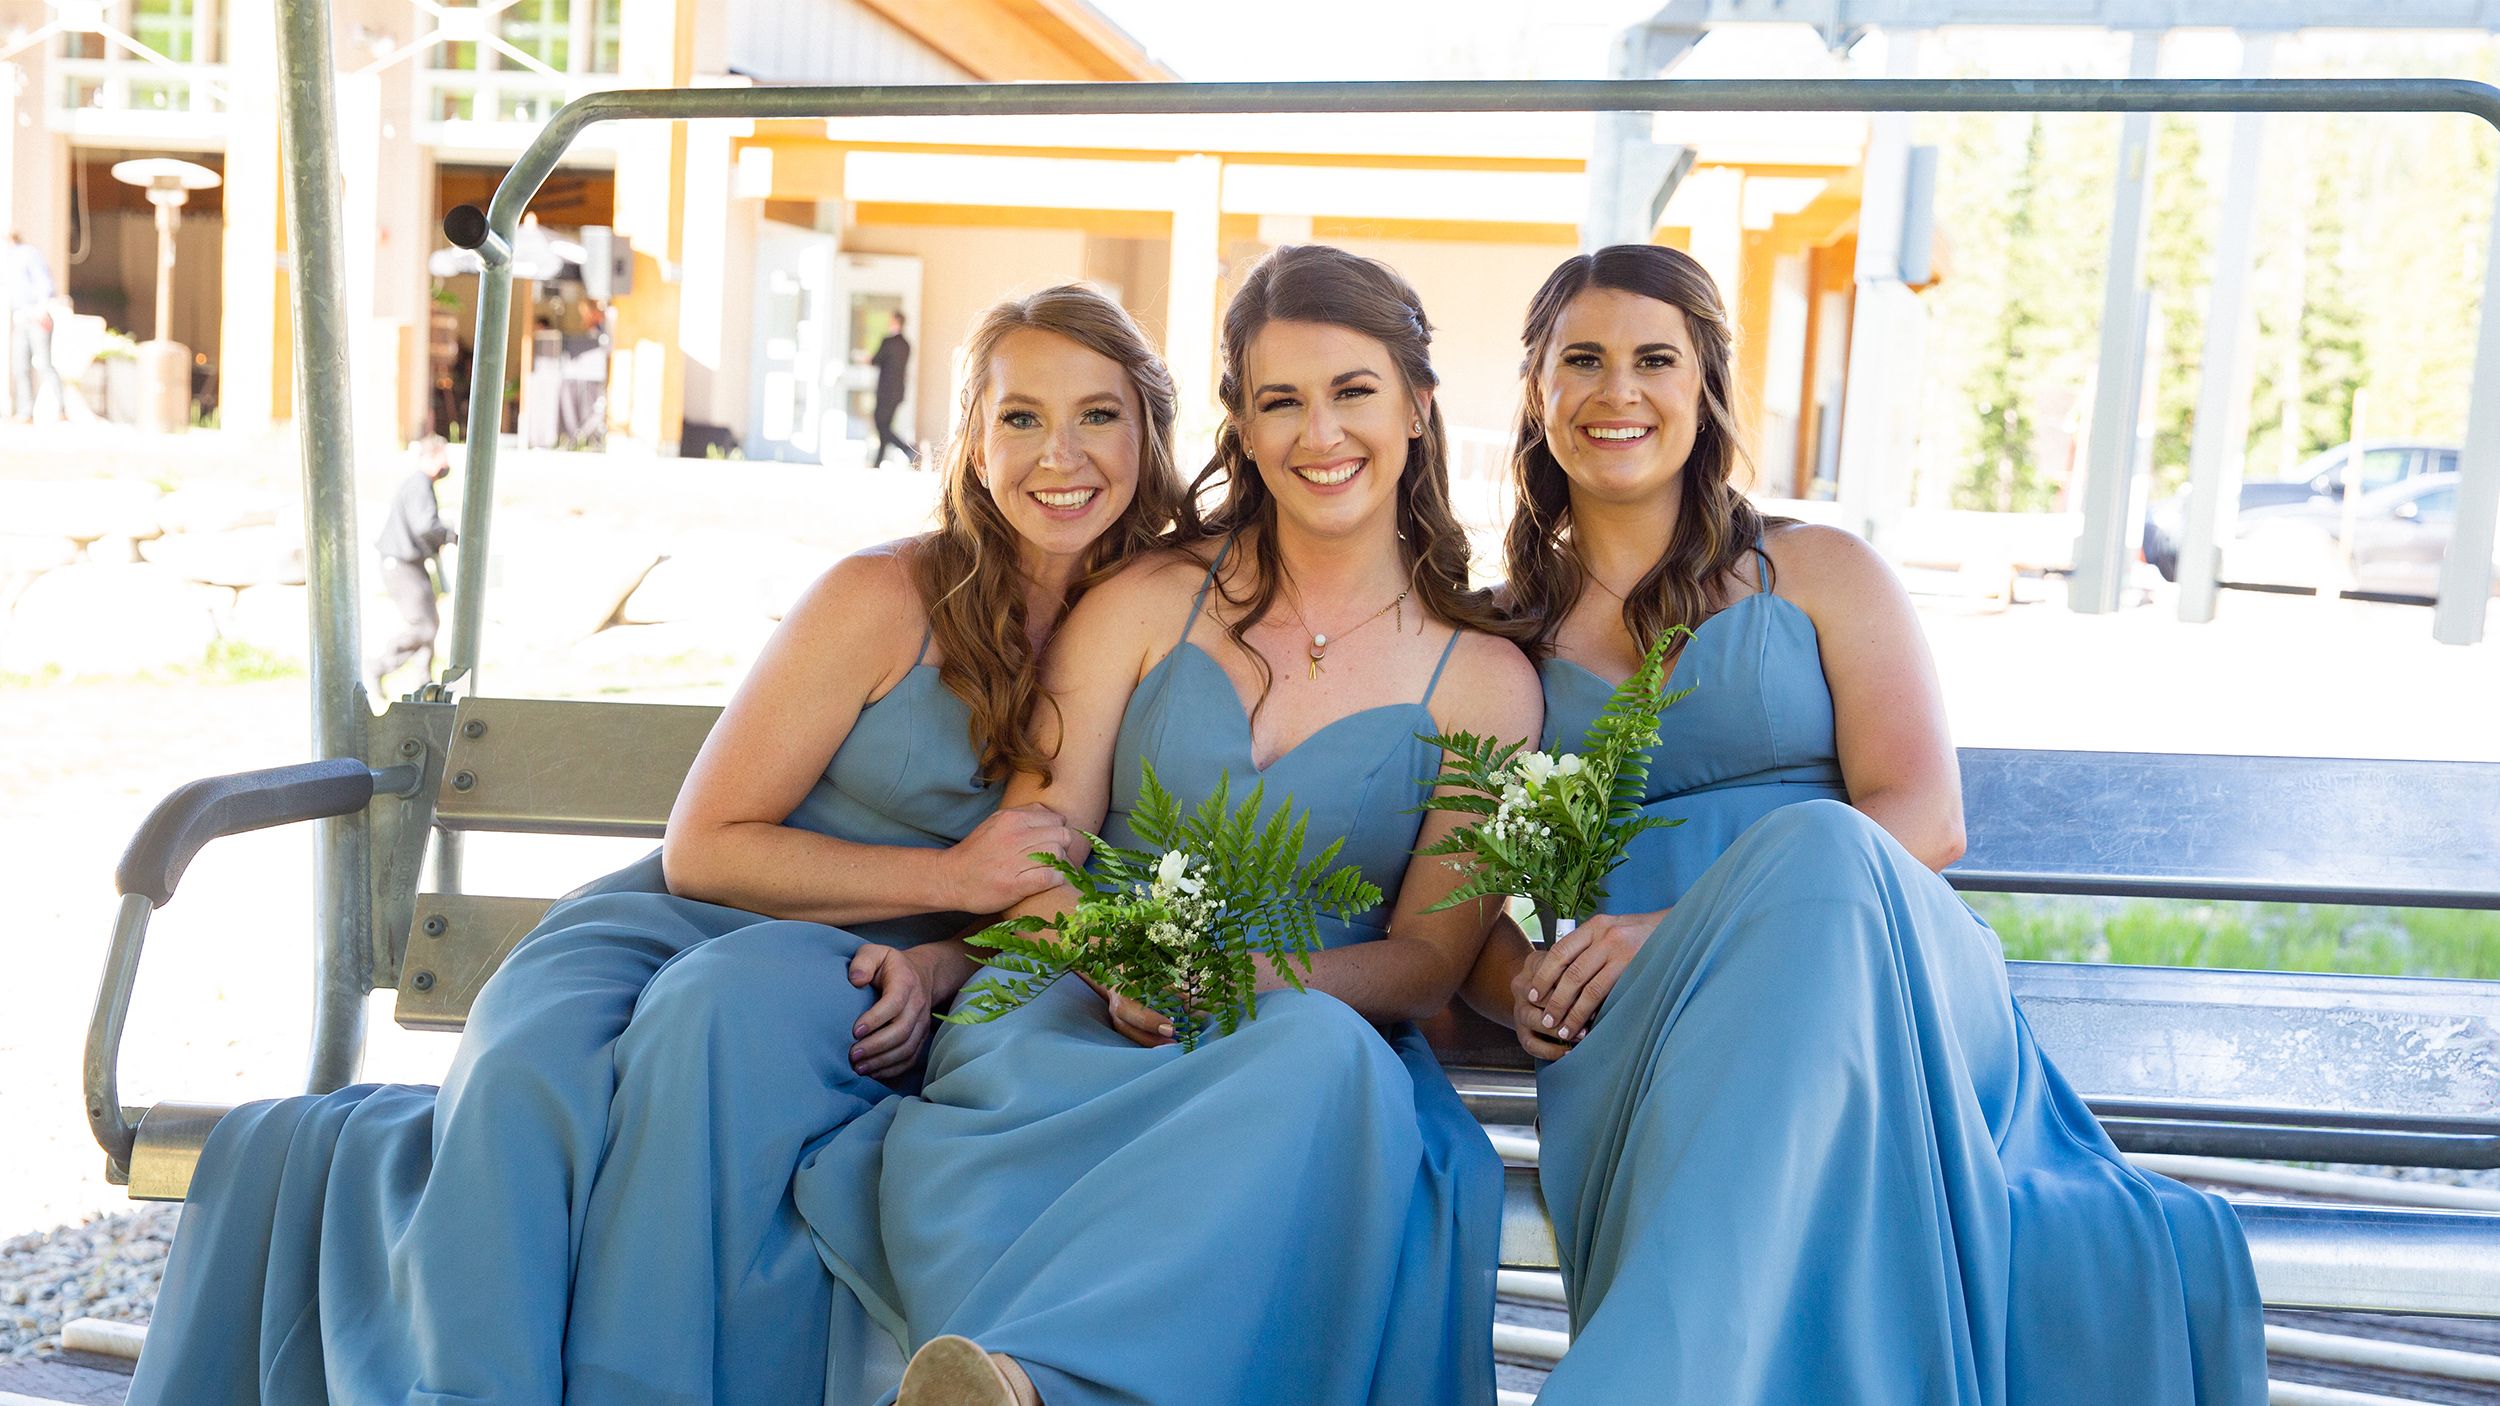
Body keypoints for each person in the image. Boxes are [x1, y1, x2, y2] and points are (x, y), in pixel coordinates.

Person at [127, 284, 1190, 1406]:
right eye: (1020, 416)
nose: (1057, 454)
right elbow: (705, 848)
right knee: (528, 1068)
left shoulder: (1160, 618)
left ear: (1148, 430)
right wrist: (948, 878)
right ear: (973, 439)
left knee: (720, 1022)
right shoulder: (885, 595)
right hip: (689, 914)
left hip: (863, 967)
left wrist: (950, 942)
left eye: (1098, 415)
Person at [1464, 244, 2265, 1404]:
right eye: (1579, 360)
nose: (1616, 391)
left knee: (1822, 843)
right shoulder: (1494, 637)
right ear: (1537, 393)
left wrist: (1685, 927)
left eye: (1654, 359)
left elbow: (1925, 817)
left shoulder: (1821, 570)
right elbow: (1469, 904)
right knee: (1799, 878)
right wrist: (1520, 987)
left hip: (1883, 977)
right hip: (1647, 1030)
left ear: (1705, 389)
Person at [795, 245, 1543, 1406]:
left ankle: (1035, 1386)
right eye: (1278, 399)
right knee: (1289, 1066)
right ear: (1238, 425)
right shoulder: (1146, 601)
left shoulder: (1487, 681)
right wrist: (1119, 956)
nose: (1319, 431)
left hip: (1309, 1019)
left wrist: (1249, 976)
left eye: (1351, 390)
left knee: (1319, 1054)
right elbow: (1033, 843)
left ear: (1417, 406)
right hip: (1076, 1004)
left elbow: (1426, 959)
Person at [367, 435, 459, 695]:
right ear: (432, 458)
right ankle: (379, 666)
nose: (447, 464)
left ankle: (425, 685)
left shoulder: (418, 484)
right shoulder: (419, 485)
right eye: (444, 457)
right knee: (425, 625)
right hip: (401, 565)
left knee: (429, 620)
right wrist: (449, 534)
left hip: (410, 563)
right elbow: (424, 524)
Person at [7, 231, 65, 423]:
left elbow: (45, 283)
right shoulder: (9, 259)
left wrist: (41, 308)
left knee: (44, 363)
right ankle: (26, 411)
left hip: (36, 316)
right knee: (20, 366)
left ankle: (60, 409)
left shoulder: (27, 254)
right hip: (21, 317)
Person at [869, 308, 917, 468]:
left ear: (895, 322)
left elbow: (876, 360)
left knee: (881, 425)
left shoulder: (888, 342)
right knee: (885, 425)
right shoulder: (906, 345)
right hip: (897, 392)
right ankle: (878, 461)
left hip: (885, 391)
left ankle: (908, 449)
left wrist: (867, 359)